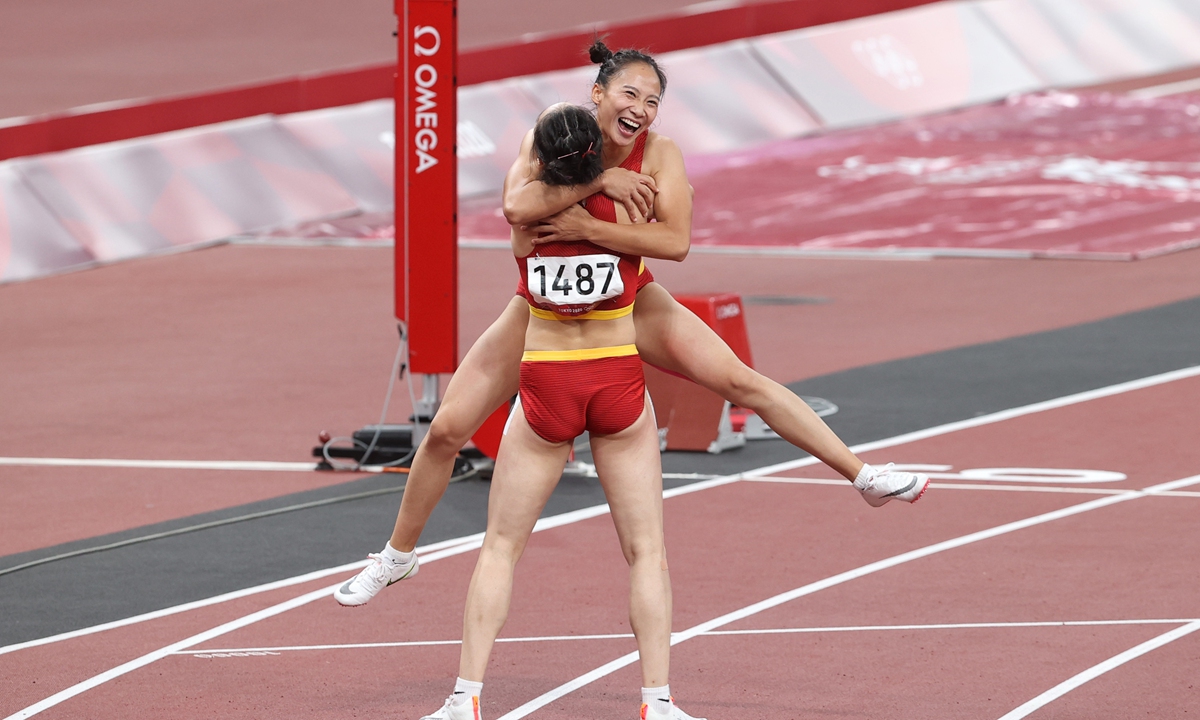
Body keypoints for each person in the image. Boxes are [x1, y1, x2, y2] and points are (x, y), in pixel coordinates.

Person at [334, 41, 928, 609]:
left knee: (740, 381)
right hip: (541, 313)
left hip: (630, 302)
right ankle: (397, 555)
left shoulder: (660, 154)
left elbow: (674, 242)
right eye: (630, 95)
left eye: (652, 102)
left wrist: (588, 227)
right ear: (598, 94)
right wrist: (600, 181)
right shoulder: (558, 132)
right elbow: (517, 207)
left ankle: (862, 474)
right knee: (444, 431)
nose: (640, 111)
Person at [420, 103, 701, 720]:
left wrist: (551, 177)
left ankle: (464, 699)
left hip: (547, 381)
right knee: (647, 553)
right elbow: (670, 243)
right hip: (617, 378)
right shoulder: (627, 212)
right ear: (600, 159)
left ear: (542, 161)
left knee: (500, 548)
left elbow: (519, 204)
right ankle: (658, 701)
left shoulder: (530, 224)